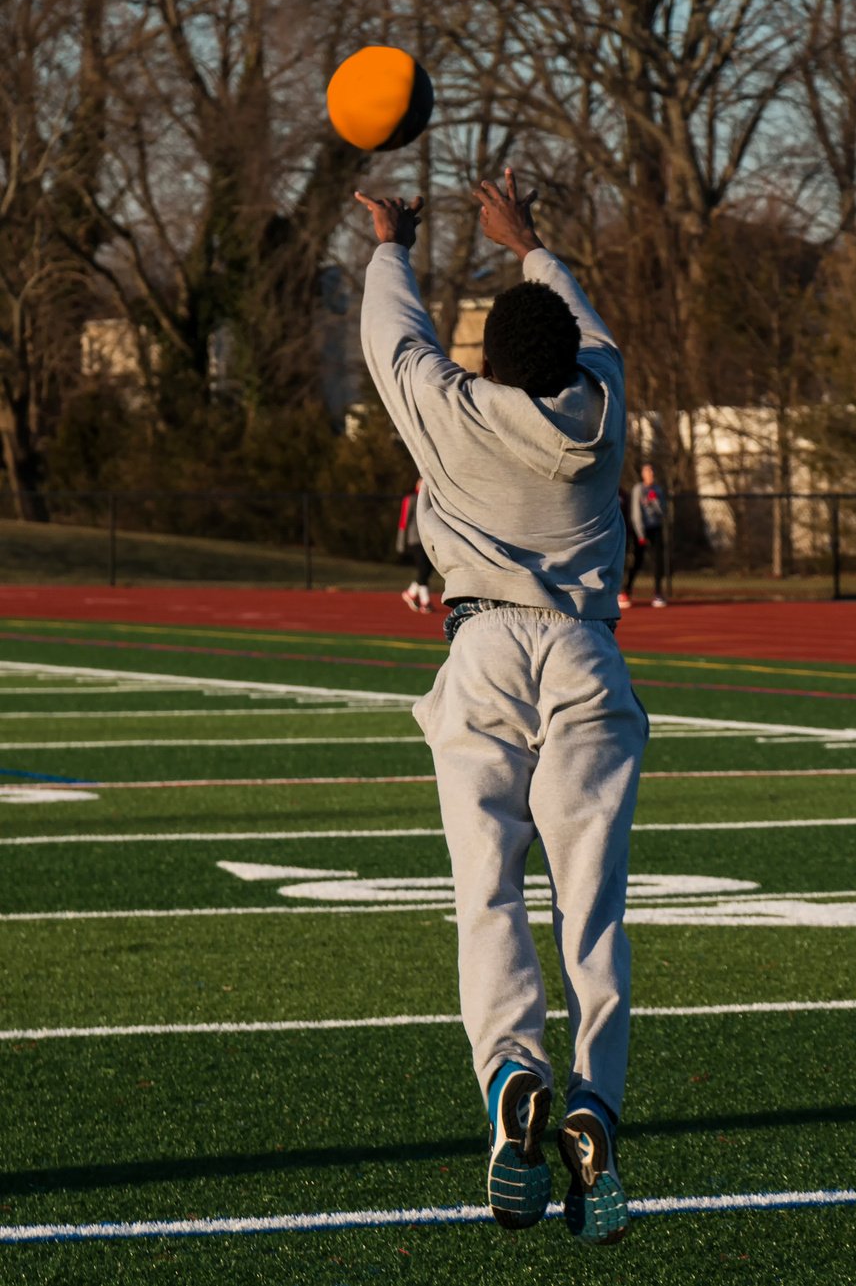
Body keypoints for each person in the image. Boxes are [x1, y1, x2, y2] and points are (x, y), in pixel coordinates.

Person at [355, 168, 648, 1246]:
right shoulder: (605, 404)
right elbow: (590, 329)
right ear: (570, 355)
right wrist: (526, 239)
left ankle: (511, 1075)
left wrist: (395, 241)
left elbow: (393, 339)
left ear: (487, 360)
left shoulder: (455, 412)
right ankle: (593, 1098)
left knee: (487, 892)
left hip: (481, 650)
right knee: (594, 906)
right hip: (586, 656)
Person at [620, 462, 667, 608]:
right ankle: (626, 592)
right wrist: (640, 534)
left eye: (652, 472)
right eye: (648, 472)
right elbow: (636, 513)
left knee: (659, 562)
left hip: (655, 528)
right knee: (637, 562)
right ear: (643, 474)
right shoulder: (638, 489)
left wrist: (655, 501)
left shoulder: (657, 490)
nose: (651, 475)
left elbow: (663, 512)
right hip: (641, 530)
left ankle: (658, 594)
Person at [397, 477, 434, 612]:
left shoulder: (432, 500)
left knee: (428, 569)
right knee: (423, 569)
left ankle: (411, 593)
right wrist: (401, 543)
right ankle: (425, 602)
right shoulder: (411, 499)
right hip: (415, 541)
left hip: (428, 540)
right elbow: (403, 522)